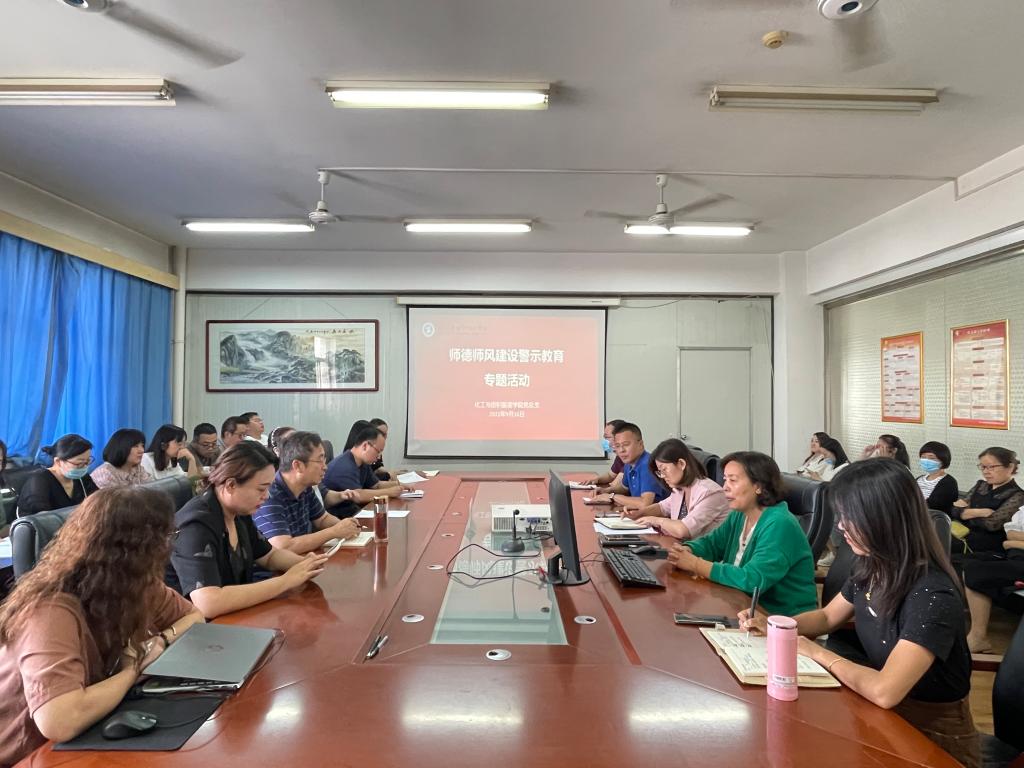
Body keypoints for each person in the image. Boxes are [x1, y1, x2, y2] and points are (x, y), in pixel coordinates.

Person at [738, 459, 981, 768]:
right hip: (883, 717)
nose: (840, 526)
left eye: (849, 517)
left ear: (883, 519)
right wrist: (777, 625)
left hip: (934, 738)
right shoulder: (872, 565)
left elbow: (885, 691)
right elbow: (827, 617)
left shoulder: (932, 593)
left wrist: (816, 652)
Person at [0, 488, 205, 765]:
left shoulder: (134, 584)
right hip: (26, 755)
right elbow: (60, 721)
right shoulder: (50, 610)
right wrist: (133, 668)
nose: (170, 546)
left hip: (85, 732)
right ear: (134, 549)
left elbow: (194, 618)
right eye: (167, 537)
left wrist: (162, 641)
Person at [167, 441, 329, 619]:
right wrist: (285, 581)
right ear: (230, 485)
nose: (266, 496)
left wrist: (304, 564)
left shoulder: (238, 512)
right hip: (195, 628)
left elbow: (269, 556)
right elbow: (208, 603)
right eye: (261, 489)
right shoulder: (195, 526)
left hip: (232, 618)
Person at [668, 451, 818, 617]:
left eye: (733, 480)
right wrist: (688, 550)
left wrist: (695, 564)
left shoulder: (780, 523)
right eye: (725, 479)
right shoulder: (740, 514)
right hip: (740, 606)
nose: (725, 487)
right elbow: (712, 544)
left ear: (758, 486)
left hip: (779, 619)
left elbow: (753, 580)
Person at [253, 431, 361, 554]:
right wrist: (334, 532)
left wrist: (346, 527)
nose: (325, 467)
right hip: (285, 564)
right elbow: (283, 547)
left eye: (324, 460)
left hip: (304, 558)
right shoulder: (269, 495)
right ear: (298, 466)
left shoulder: (305, 487)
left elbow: (322, 519)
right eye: (319, 460)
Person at [632, 438, 729, 540]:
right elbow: (662, 508)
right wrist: (638, 513)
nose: (663, 476)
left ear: (681, 464)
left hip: (707, 549)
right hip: (684, 546)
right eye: (660, 472)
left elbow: (684, 530)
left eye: (664, 469)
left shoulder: (709, 492)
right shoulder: (680, 489)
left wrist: (655, 520)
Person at [321, 424, 411, 518]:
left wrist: (398, 484)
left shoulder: (363, 462)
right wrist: (389, 492)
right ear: (365, 446)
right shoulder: (344, 466)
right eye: (378, 451)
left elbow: (376, 485)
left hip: (352, 511)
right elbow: (358, 496)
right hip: (338, 516)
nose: (379, 456)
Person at [951, 447, 1024, 556]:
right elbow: (954, 510)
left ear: (1010, 467)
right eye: (983, 467)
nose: (985, 472)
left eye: (991, 467)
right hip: (959, 534)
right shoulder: (980, 485)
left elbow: (992, 524)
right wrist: (981, 512)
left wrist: (964, 513)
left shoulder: (1018, 495)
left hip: (986, 546)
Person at [963, 532, 1024, 653]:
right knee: (969, 564)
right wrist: (1011, 542)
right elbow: (1011, 534)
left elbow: (1008, 541)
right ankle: (977, 637)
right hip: (1015, 557)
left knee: (975, 572)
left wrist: (1011, 543)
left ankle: (978, 637)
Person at [589, 422, 668, 510]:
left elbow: (645, 503)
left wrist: (612, 497)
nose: (621, 450)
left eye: (626, 445)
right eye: (617, 446)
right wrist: (606, 491)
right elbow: (624, 488)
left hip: (658, 516)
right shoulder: (629, 463)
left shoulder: (647, 465)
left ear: (640, 445)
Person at [17, 434, 98, 515]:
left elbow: (98, 501)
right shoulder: (39, 481)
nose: (84, 467)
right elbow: (40, 517)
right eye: (79, 463)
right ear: (58, 461)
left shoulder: (83, 478)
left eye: (87, 462)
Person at [915, 441, 959, 516]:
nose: (926, 460)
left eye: (932, 458)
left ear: (943, 460)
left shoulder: (949, 482)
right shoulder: (919, 479)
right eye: (923, 457)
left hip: (934, 519)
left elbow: (934, 506)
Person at [590, 419, 627, 488]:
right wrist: (596, 480)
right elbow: (611, 475)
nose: (604, 441)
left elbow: (615, 486)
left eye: (607, 437)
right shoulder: (619, 456)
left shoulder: (630, 458)